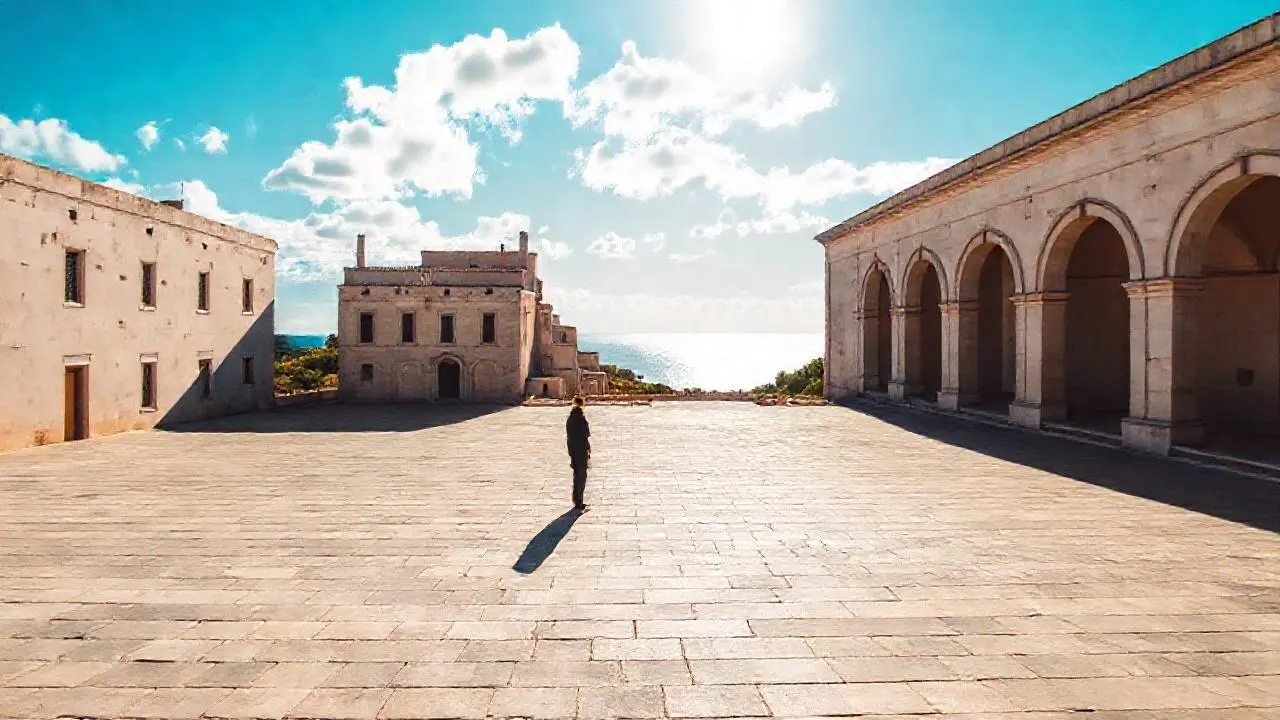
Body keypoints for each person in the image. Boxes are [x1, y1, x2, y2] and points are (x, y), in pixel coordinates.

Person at [566, 396, 591, 512]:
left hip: (573, 450)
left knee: (577, 476)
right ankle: (579, 503)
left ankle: (577, 500)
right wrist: (588, 449)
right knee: (582, 476)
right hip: (581, 450)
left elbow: (570, 436)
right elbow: (585, 435)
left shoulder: (570, 418)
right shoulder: (581, 418)